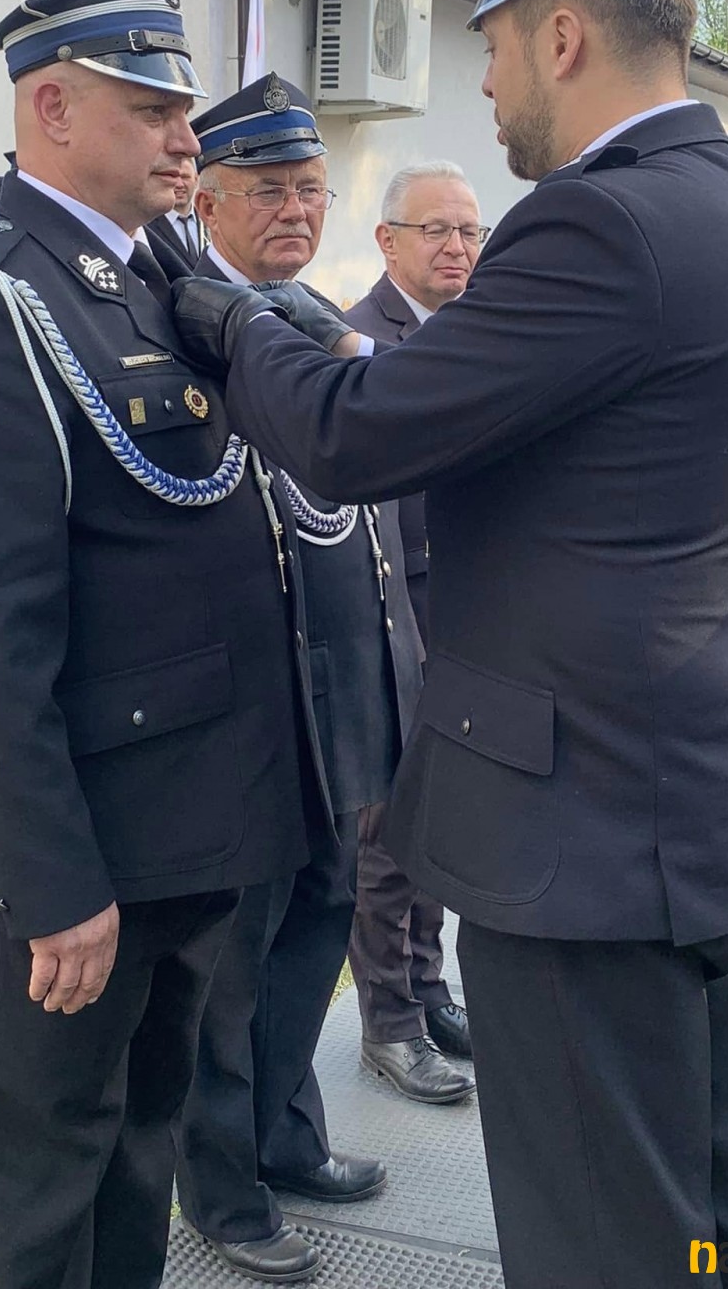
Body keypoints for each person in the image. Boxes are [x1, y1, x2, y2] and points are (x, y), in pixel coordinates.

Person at [169, 0, 728, 1289]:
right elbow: (515, 409)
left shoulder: (598, 225)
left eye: (495, 41)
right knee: (713, 1201)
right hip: (700, 798)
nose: (484, 78)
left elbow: (353, 440)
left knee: (604, 1232)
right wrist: (347, 350)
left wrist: (233, 323)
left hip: (588, 833)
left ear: (563, 35)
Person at [0, 0, 330, 1289]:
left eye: (183, 110)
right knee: (41, 1190)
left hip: (185, 829)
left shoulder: (152, 277)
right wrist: (55, 883)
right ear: (54, 109)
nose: (188, 139)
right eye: (152, 109)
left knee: (138, 1153)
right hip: (81, 856)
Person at [174, 75, 428, 1285]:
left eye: (311, 188)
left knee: (317, 922)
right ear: (207, 201)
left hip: (342, 691)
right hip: (251, 704)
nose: (296, 209)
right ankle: (222, 1185)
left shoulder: (314, 316)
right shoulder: (186, 326)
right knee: (236, 956)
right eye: (268, 189)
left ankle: (285, 1134)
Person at [343, 160, 485, 1101]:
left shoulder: (479, 330)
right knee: (393, 834)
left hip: (473, 611)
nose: (457, 248)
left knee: (446, 821)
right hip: (402, 609)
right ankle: (388, 1022)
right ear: (388, 241)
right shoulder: (359, 338)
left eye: (469, 231)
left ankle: (429, 989)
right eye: (436, 231)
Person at [146, 153, 202, 266]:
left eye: (185, 177)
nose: (179, 184)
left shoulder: (211, 221)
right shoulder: (148, 226)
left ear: (196, 180)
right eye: (173, 177)